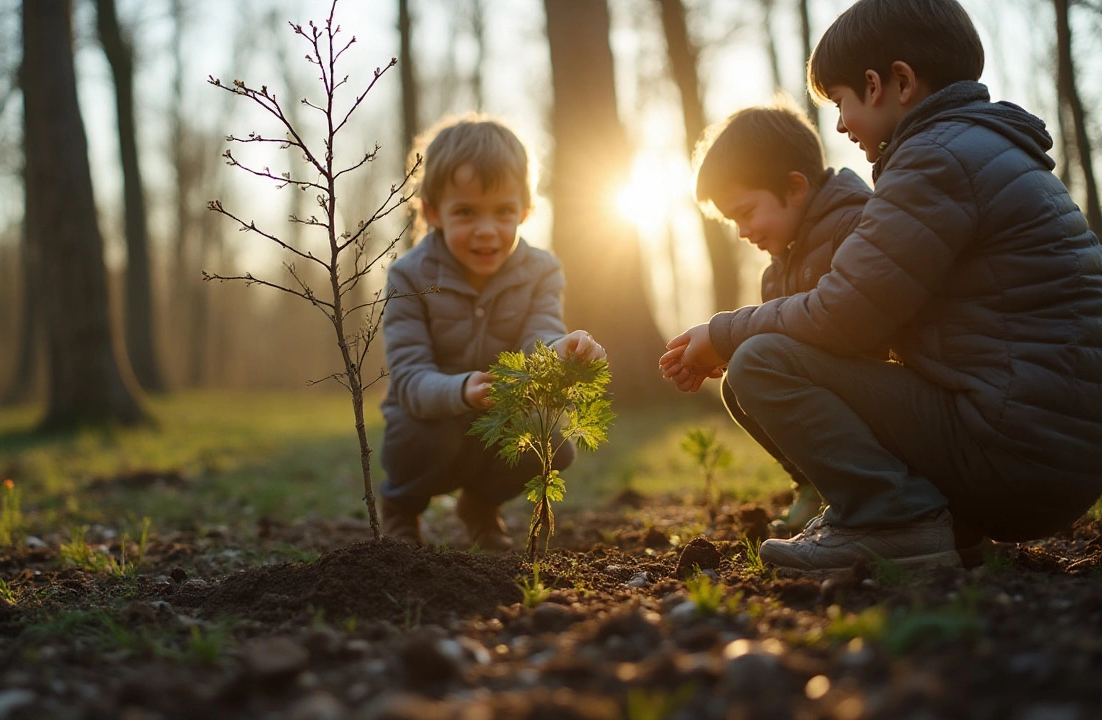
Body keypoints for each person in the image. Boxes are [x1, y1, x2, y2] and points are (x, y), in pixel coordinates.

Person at [660, 0, 1102, 571]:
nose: (840, 124)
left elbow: (844, 315)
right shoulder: (977, 148)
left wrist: (723, 333)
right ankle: (913, 517)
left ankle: (892, 520)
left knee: (762, 362)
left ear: (891, 83)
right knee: (760, 357)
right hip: (1046, 452)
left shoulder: (937, 158)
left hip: (1017, 456)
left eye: (842, 102)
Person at [380, 115, 607, 552]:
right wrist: (462, 390)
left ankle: (481, 506)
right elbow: (408, 380)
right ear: (432, 212)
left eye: (503, 211)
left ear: (524, 209)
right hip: (427, 421)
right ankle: (401, 508)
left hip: (499, 415)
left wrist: (560, 350)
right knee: (431, 437)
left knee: (554, 442)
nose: (487, 230)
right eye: (465, 212)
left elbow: (539, 334)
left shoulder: (542, 270)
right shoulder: (409, 276)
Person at [691, 98, 872, 532]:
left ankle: (866, 493)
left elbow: (854, 327)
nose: (743, 231)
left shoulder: (857, 228)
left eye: (746, 212)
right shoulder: (777, 272)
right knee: (740, 379)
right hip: (834, 393)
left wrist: (740, 341)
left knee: (753, 361)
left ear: (794, 188)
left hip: (877, 398)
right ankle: (813, 485)